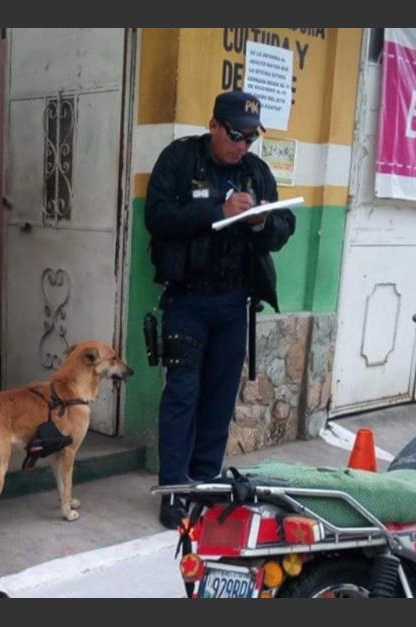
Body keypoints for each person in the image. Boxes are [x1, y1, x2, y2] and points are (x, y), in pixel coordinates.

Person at [144, 90, 297, 528]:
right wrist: (218, 210)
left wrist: (262, 221)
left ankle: (205, 484)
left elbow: (284, 226)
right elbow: (157, 216)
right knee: (182, 396)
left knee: (218, 399)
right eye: (235, 136)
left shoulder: (256, 173)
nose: (241, 146)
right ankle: (174, 491)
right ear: (214, 125)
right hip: (188, 302)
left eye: (250, 138)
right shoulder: (179, 160)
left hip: (234, 303)